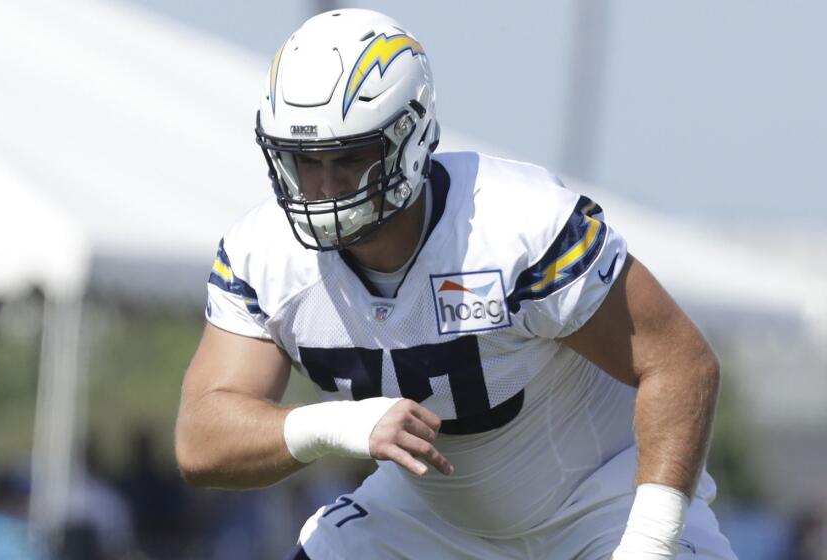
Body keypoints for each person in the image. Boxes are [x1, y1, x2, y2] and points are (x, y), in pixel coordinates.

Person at [175, 9, 737, 559]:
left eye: (348, 159)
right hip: (431, 518)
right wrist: (334, 425)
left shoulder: (515, 226)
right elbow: (202, 440)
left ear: (410, 139)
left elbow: (680, 364)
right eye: (303, 162)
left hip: (600, 508)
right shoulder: (266, 255)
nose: (322, 188)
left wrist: (650, 541)